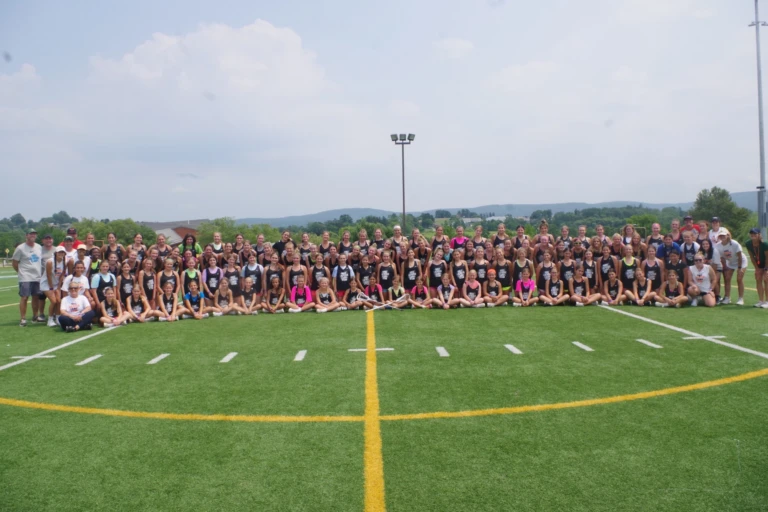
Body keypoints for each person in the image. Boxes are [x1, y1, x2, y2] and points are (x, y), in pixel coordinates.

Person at [13, 228, 43, 326]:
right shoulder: (20, 248)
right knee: (24, 297)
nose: (33, 235)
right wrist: (21, 272)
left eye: (34, 234)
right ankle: (23, 318)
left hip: (37, 276)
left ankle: (35, 316)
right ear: (26, 235)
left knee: (36, 297)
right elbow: (15, 262)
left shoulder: (39, 247)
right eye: (31, 234)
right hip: (25, 277)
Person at [716, 229, 747, 305]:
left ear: (727, 235)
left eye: (723, 235)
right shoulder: (718, 246)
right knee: (727, 278)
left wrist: (739, 268)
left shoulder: (734, 243)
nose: (722, 237)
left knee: (739, 278)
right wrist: (725, 266)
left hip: (741, 261)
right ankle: (727, 297)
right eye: (720, 235)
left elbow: (739, 256)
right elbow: (722, 258)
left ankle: (740, 298)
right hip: (730, 262)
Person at [41, 246, 67, 327]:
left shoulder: (64, 262)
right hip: (46, 284)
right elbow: (48, 275)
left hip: (56, 284)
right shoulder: (50, 262)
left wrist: (58, 287)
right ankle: (50, 320)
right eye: (59, 252)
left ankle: (58, 319)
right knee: (53, 301)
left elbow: (62, 275)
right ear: (56, 253)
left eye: (62, 252)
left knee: (59, 301)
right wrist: (51, 288)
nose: (61, 254)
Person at [745, 228, 768, 308]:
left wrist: (766, 269)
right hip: (759, 263)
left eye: (755, 234)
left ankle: (767, 301)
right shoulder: (748, 243)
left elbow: (767, 257)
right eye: (751, 234)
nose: (753, 235)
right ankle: (761, 301)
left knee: (766, 280)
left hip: (767, 263)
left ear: (759, 235)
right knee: (758, 279)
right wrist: (757, 269)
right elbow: (751, 257)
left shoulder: (764, 244)